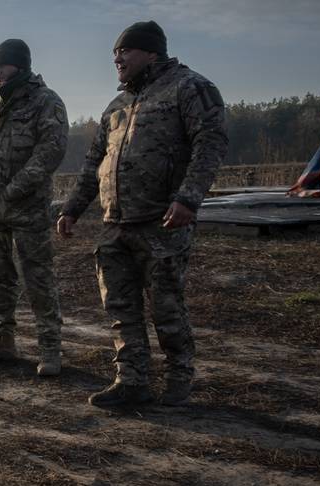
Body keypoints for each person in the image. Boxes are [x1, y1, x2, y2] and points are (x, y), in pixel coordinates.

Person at [57, 21, 227, 407]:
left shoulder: (189, 87)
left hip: (161, 222)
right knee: (120, 307)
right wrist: (72, 208)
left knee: (166, 306)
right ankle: (131, 380)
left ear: (151, 52)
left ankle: (179, 376)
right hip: (115, 224)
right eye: (115, 52)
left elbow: (211, 142)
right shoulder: (116, 107)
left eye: (125, 51)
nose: (117, 58)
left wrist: (188, 198)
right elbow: (93, 162)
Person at [0, 39, 69, 376]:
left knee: (38, 278)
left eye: (3, 65)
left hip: (28, 210)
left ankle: (50, 349)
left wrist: (15, 189)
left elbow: (50, 151)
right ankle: (3, 341)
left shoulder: (45, 102)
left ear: (20, 66)